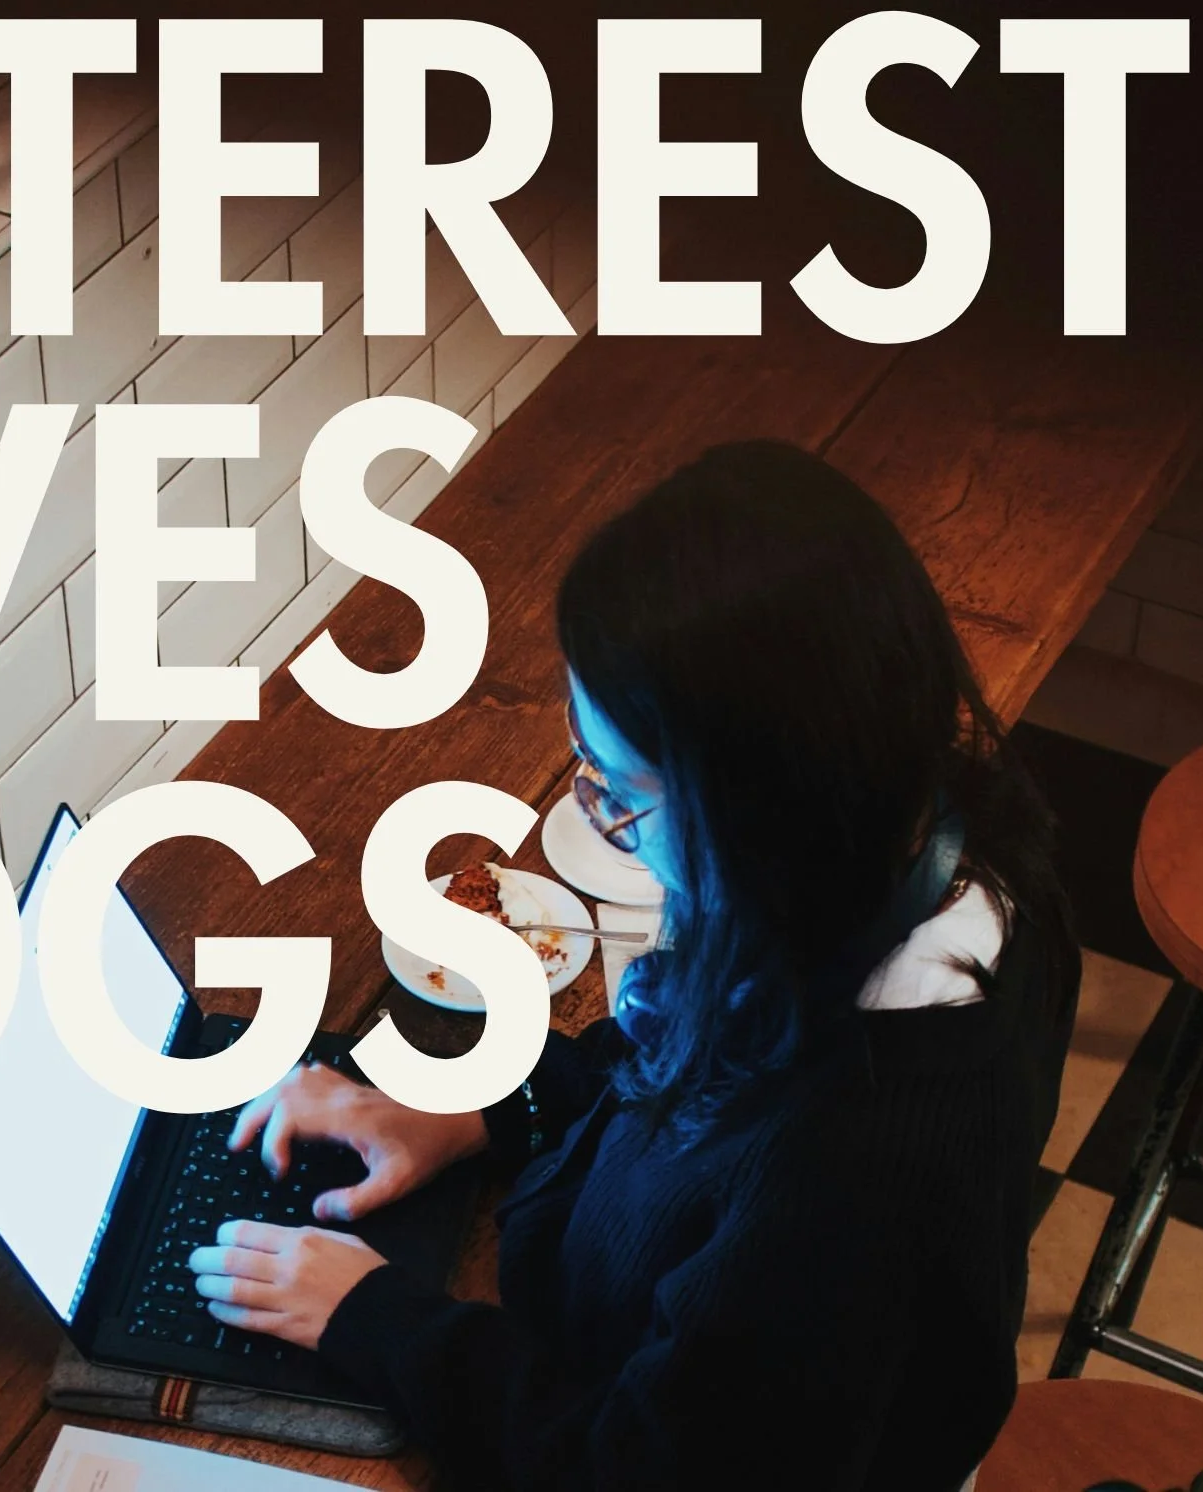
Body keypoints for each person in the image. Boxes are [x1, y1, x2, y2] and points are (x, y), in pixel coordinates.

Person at [185, 440, 1081, 1492]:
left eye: (624, 795)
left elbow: (636, 1468)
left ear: (760, 813)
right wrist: (480, 1111)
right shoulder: (914, 847)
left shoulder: (844, 1177)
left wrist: (375, 1320)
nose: (607, 821)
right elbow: (686, 1069)